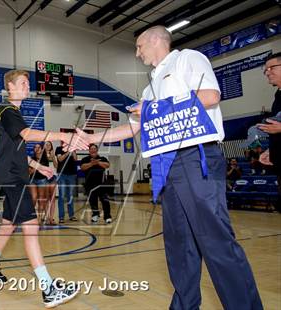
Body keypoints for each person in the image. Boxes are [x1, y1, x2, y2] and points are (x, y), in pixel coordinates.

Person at [75, 26, 262, 309]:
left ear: (156, 40)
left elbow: (210, 96)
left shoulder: (188, 58)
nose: (137, 53)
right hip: (168, 166)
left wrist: (154, 106)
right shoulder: (150, 87)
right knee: (179, 246)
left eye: (139, 46)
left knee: (215, 241)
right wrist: (93, 137)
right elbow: (133, 128)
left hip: (196, 157)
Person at [0, 69, 87, 308]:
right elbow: (28, 135)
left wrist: (40, 167)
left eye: (28, 84)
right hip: (12, 178)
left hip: (14, 175)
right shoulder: (6, 109)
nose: (27, 87)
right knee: (31, 226)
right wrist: (63, 135)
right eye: (22, 83)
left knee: (9, 223)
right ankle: (49, 288)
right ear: (10, 86)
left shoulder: (14, 114)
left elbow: (16, 150)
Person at [258, 52, 281, 212]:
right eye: (265, 69)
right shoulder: (278, 96)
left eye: (272, 68)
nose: (267, 72)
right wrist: (271, 149)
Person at [80, 144, 111, 224]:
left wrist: (98, 163)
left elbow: (107, 165)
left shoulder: (102, 158)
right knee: (93, 201)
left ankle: (107, 217)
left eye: (94, 148)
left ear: (97, 150)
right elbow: (83, 167)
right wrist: (91, 164)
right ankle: (95, 215)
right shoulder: (85, 159)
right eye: (91, 149)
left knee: (105, 200)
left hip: (102, 184)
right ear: (89, 150)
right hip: (90, 185)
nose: (93, 150)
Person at [55, 141, 78, 223]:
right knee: (61, 196)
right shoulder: (59, 149)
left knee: (70, 196)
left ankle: (71, 215)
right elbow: (60, 159)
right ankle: (61, 217)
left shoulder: (73, 149)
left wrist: (73, 150)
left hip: (72, 175)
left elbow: (75, 159)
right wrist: (68, 151)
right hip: (62, 175)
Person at [29, 143, 50, 224]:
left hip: (42, 180)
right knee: (33, 198)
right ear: (34, 149)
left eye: (39, 147)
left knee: (41, 200)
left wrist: (36, 167)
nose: (37, 149)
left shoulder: (45, 159)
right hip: (32, 180)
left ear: (41, 149)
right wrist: (36, 168)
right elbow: (29, 172)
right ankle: (31, 216)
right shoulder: (31, 159)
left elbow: (45, 170)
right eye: (35, 147)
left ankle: (39, 218)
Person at [43, 141, 58, 225]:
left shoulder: (54, 155)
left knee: (52, 199)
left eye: (49, 144)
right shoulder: (41, 155)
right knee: (45, 199)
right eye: (46, 144)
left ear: (51, 146)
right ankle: (47, 218)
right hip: (44, 178)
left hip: (53, 178)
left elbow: (56, 166)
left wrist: (52, 157)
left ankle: (51, 218)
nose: (48, 146)